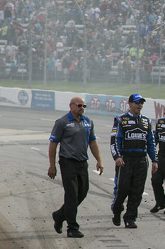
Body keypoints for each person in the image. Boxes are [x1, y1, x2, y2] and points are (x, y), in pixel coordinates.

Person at [48, 97, 105, 238]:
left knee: (83, 192)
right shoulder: (62, 122)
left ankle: (60, 215)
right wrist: (52, 165)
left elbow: (93, 143)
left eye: (84, 105)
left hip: (82, 162)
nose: (82, 108)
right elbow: (53, 144)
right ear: (71, 106)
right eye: (79, 105)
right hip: (68, 162)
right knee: (71, 194)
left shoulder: (88, 122)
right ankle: (72, 227)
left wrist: (99, 160)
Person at [111, 94, 158, 228]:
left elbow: (151, 142)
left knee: (137, 191)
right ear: (130, 104)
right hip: (125, 160)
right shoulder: (121, 120)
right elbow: (115, 140)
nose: (139, 105)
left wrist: (154, 160)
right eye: (137, 103)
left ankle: (130, 218)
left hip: (141, 161)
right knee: (123, 189)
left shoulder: (147, 121)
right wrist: (117, 157)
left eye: (141, 103)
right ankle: (117, 209)